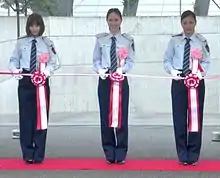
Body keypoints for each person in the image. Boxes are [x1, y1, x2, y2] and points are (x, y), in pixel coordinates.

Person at [8, 13, 60, 164]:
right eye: (32, 25)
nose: (34, 28)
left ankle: (39, 153)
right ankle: (27, 153)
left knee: (41, 118)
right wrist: (15, 70)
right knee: (26, 118)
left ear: (41, 26)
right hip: (25, 80)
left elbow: (54, 61)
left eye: (37, 25)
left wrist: (46, 71)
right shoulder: (21, 42)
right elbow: (13, 60)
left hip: (42, 81)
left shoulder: (48, 43)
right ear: (28, 26)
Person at [163, 10, 210, 165]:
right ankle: (183, 154)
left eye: (190, 22)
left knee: (195, 119)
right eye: (185, 23)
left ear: (195, 23)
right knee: (179, 118)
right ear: (181, 24)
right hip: (179, 82)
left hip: (196, 82)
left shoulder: (201, 41)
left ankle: (194, 154)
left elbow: (207, 61)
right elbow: (167, 60)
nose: (188, 26)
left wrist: (199, 74)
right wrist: (173, 71)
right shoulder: (174, 41)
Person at [92, 8, 135, 164]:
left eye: (116, 19)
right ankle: (109, 151)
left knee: (121, 117)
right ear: (107, 21)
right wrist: (100, 70)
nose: (113, 22)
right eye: (111, 19)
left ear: (121, 21)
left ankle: (121, 151)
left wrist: (121, 70)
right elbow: (96, 60)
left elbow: (130, 61)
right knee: (105, 116)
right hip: (105, 80)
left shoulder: (127, 40)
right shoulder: (101, 40)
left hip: (121, 80)